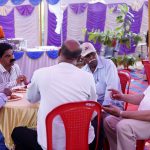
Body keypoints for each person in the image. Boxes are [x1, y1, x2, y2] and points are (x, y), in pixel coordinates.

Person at [11, 39, 97, 150]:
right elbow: (93, 111)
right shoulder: (88, 77)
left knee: (17, 132)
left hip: (50, 144)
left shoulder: (40, 73)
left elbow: (31, 98)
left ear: (59, 51)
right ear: (79, 58)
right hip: (81, 142)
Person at [81, 42, 123, 150]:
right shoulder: (83, 71)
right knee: (80, 120)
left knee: (98, 121)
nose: (91, 58)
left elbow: (111, 91)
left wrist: (102, 109)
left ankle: (99, 147)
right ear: (82, 59)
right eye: (87, 56)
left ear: (96, 53)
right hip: (93, 106)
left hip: (111, 105)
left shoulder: (108, 64)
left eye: (92, 54)